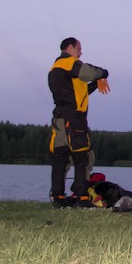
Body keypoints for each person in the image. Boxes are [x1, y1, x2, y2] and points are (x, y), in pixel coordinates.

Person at [48, 37, 110, 207]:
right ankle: (82, 196)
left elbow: (78, 94)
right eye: (78, 48)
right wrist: (104, 73)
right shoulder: (68, 63)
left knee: (60, 157)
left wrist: (95, 86)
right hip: (74, 119)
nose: (81, 52)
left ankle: (58, 197)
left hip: (60, 119)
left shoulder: (57, 69)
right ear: (69, 47)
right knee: (83, 156)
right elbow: (89, 72)